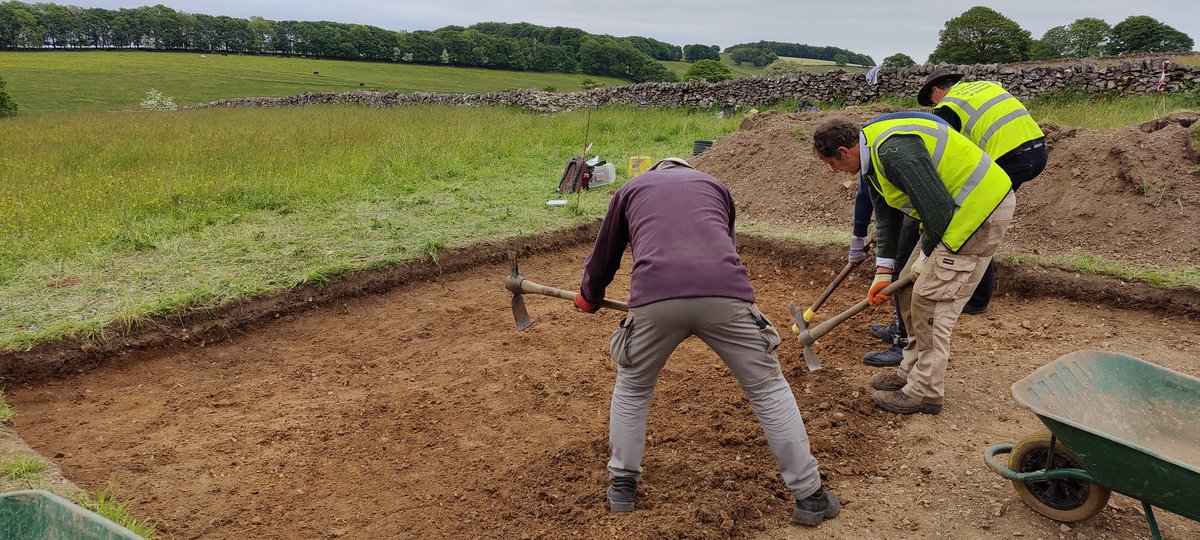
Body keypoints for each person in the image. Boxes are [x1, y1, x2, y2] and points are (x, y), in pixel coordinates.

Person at [574, 157, 839, 526]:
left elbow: (605, 256)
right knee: (768, 389)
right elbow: (724, 247)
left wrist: (589, 294)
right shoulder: (716, 187)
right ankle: (810, 496)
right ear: (689, 170)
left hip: (655, 299)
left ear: (656, 172)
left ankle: (622, 487)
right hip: (725, 296)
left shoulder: (630, 190)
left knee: (633, 388)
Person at [813, 115, 1016, 415]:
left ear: (844, 151)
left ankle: (926, 392)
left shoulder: (893, 152)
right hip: (954, 217)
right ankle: (909, 372)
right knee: (907, 290)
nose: (833, 170)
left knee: (929, 300)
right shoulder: (871, 161)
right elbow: (886, 217)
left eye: (831, 163)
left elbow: (938, 210)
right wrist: (883, 273)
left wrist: (924, 260)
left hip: (977, 213)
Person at [920, 68, 1048, 315]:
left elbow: (948, 151)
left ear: (936, 92)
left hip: (1011, 158)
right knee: (982, 220)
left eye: (931, 101)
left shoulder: (948, 106)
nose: (934, 106)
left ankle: (976, 299)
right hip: (1038, 151)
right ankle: (975, 294)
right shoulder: (983, 87)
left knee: (977, 224)